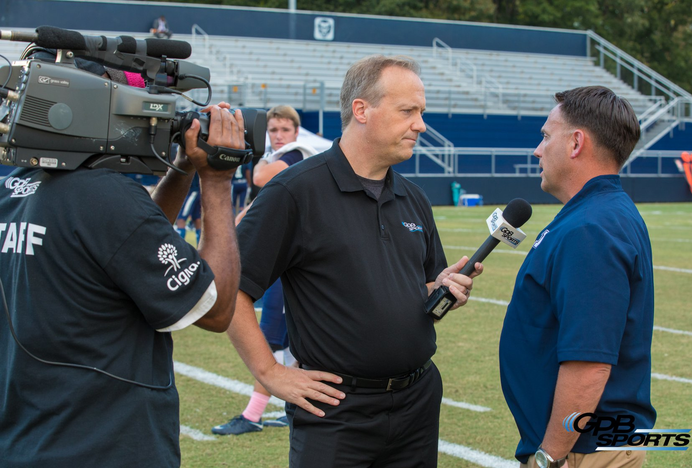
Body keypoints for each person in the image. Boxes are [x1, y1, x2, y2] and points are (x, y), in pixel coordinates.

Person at [226, 55, 482, 467]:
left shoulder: (413, 197)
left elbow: (420, 300)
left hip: (418, 400)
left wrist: (443, 289)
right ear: (361, 110)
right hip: (336, 412)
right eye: (408, 111)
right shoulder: (295, 191)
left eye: (421, 112)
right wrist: (270, 372)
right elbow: (229, 286)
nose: (421, 125)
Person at [0, 49, 244, 466]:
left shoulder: (16, 189)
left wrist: (183, 167)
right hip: (103, 444)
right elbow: (216, 310)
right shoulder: (104, 196)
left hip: (28, 438)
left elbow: (124, 250)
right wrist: (218, 180)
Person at [499, 86, 656, 468]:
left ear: (575, 143)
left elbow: (589, 363)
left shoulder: (592, 228)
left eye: (545, 136)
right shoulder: (597, 212)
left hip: (583, 450)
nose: (538, 150)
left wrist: (549, 456)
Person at [213, 105, 318, 436]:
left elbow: (260, 177)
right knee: (289, 341)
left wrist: (260, 155)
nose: (278, 136)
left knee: (271, 336)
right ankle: (296, 409)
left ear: (296, 133)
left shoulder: (294, 156)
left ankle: (252, 415)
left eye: (284, 130)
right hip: (290, 258)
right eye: (273, 130)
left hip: (288, 260)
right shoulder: (286, 156)